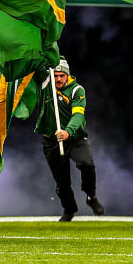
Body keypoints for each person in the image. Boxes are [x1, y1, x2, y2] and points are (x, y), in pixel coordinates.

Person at [34, 58, 104, 222]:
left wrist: (68, 132)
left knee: (87, 164)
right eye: (56, 75)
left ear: (68, 75)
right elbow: (35, 67)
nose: (58, 79)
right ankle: (69, 209)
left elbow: (78, 115)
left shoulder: (77, 90)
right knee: (62, 182)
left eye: (62, 76)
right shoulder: (46, 85)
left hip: (74, 139)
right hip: (51, 141)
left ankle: (90, 196)